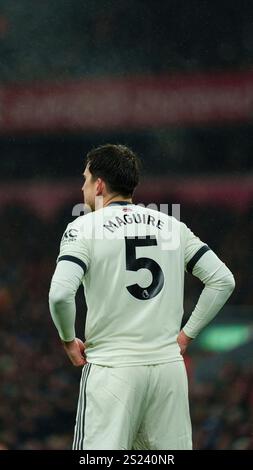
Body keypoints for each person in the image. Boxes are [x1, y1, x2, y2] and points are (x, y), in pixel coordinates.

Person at [49, 144, 235, 450]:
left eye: (84, 179)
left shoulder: (82, 228)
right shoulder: (173, 226)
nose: (82, 187)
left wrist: (68, 340)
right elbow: (222, 281)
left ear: (99, 185)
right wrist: (187, 335)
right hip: (167, 371)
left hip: (113, 368)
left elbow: (59, 295)